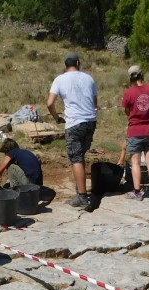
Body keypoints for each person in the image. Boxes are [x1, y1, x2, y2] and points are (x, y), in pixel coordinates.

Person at [46, 52, 98, 209]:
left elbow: (49, 103)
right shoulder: (89, 78)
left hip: (74, 123)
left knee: (76, 158)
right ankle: (80, 187)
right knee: (80, 155)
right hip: (90, 121)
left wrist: (56, 118)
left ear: (65, 65)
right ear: (78, 63)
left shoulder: (59, 80)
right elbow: (95, 103)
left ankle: (82, 197)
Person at [121, 65, 149, 202]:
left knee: (136, 163)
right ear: (141, 74)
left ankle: (137, 192)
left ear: (130, 77)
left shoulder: (129, 92)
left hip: (135, 130)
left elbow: (127, 111)